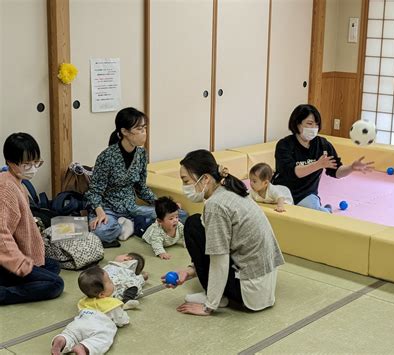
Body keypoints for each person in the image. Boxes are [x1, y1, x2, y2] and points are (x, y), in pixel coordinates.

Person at [162, 149, 284, 316]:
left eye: (186, 181)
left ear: (205, 178)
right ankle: (217, 293)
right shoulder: (230, 188)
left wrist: (209, 305)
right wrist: (190, 271)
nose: (185, 187)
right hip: (263, 283)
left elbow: (219, 258)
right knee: (197, 223)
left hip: (248, 291)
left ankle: (218, 298)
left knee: (192, 225)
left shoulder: (216, 205)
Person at [0, 132, 64, 305]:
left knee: (53, 266)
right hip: (6, 259)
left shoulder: (16, 181)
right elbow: (1, 234)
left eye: (36, 162)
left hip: (14, 254)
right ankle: (3, 293)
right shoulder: (6, 187)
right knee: (55, 284)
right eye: (27, 164)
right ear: (11, 163)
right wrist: (17, 262)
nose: (33, 168)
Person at [273, 104, 374, 213]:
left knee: (316, 214)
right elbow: (291, 172)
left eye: (316, 125)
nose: (313, 128)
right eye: (309, 124)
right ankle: (325, 210)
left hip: (306, 195)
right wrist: (318, 164)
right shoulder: (285, 145)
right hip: (282, 195)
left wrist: (351, 168)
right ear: (297, 124)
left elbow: (336, 171)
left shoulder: (322, 145)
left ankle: (325, 210)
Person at [85, 107, 157, 248]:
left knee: (178, 214)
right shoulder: (107, 157)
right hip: (108, 209)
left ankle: (129, 223)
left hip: (130, 208)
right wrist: (99, 213)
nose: (144, 133)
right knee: (101, 231)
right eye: (139, 129)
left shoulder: (142, 154)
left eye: (145, 128)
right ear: (124, 131)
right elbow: (94, 191)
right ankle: (130, 225)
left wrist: (160, 203)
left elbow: (141, 187)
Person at [51, 266, 129, 355]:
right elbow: (121, 320)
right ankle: (83, 347)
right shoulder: (111, 304)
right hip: (97, 326)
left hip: (79, 323)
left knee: (71, 335)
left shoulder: (84, 301)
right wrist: (125, 316)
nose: (113, 283)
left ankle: (61, 340)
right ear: (102, 294)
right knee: (102, 338)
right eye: (110, 281)